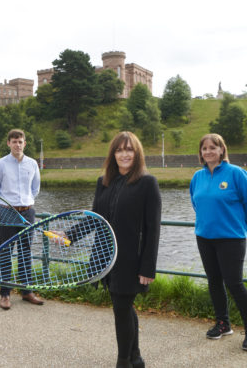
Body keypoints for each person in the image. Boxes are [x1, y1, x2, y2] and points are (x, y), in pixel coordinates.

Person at [93, 131, 161, 368]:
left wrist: (148, 266)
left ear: (137, 153)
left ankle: (124, 361)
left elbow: (153, 229)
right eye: (119, 150)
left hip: (132, 260)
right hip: (107, 258)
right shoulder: (103, 183)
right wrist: (68, 235)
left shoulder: (147, 183)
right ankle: (135, 358)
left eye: (129, 149)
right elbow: (95, 220)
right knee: (123, 306)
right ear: (113, 153)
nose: (124, 154)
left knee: (121, 309)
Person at [189, 133, 247, 351]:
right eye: (204, 148)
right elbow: (196, 203)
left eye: (213, 147)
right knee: (214, 281)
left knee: (234, 284)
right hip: (204, 237)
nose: (208, 151)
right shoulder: (197, 177)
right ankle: (223, 324)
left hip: (231, 238)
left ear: (222, 150)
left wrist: (240, 226)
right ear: (200, 153)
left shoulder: (236, 173)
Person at [0, 129, 43, 310]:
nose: (17, 145)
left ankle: (26, 291)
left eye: (20, 142)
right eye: (14, 141)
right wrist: (7, 207)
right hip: (6, 213)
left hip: (27, 212)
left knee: (26, 251)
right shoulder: (1, 164)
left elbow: (35, 189)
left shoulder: (32, 164)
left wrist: (25, 204)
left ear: (25, 144)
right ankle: (5, 294)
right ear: (8, 144)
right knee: (5, 253)